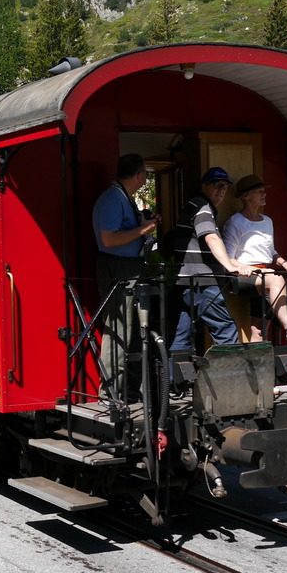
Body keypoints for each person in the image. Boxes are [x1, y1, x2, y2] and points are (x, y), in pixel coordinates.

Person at [91, 154, 160, 399]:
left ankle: (128, 389)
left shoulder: (123, 197)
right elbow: (109, 239)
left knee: (130, 330)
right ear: (140, 175)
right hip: (119, 268)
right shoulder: (112, 198)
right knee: (118, 328)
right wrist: (144, 229)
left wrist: (142, 223)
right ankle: (111, 393)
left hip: (129, 267)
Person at [170, 167, 255, 356]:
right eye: (216, 185)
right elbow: (211, 238)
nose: (221, 190)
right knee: (226, 331)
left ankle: (174, 382)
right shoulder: (202, 207)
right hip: (203, 281)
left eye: (224, 186)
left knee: (184, 336)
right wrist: (230, 266)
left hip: (189, 282)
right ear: (204, 186)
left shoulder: (196, 205)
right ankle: (234, 380)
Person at [222, 174, 287, 341]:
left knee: (259, 329)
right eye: (259, 192)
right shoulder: (235, 222)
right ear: (245, 196)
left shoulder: (267, 221)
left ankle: (258, 365)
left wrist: (285, 263)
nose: (264, 195)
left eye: (263, 192)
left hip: (264, 274)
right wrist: (251, 269)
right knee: (275, 280)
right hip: (243, 276)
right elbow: (228, 258)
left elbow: (271, 251)